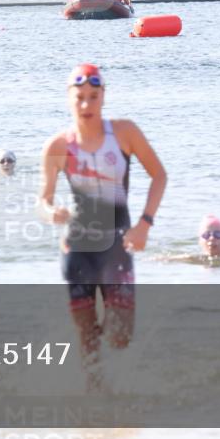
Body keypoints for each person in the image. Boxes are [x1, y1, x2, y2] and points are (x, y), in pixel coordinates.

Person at [39, 63, 166, 385]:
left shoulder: (124, 133)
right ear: (69, 99)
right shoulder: (57, 147)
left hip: (117, 246)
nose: (86, 105)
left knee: (119, 337)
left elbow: (159, 176)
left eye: (93, 97)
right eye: (79, 97)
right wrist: (50, 212)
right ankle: (95, 412)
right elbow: (44, 199)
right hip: (77, 248)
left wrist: (144, 224)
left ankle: (115, 389)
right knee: (88, 340)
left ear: (103, 97)